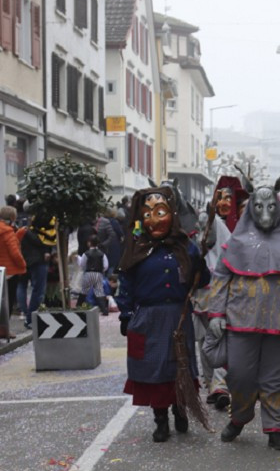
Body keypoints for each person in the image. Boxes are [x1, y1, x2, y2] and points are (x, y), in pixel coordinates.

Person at [205, 173, 280, 452]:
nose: (265, 213)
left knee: (276, 378)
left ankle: (276, 428)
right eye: (258, 206)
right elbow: (221, 277)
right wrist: (217, 314)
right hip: (241, 320)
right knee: (240, 375)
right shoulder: (236, 243)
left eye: (271, 207)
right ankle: (240, 416)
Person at [116, 187, 210, 442]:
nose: (154, 219)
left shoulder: (186, 247)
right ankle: (160, 420)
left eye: (161, 212)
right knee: (154, 370)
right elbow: (125, 284)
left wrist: (201, 264)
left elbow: (201, 281)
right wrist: (125, 315)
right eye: (148, 213)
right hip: (147, 319)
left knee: (178, 367)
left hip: (178, 317)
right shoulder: (135, 248)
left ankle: (181, 411)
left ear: (173, 214)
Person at [193, 176, 247, 410]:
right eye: (220, 197)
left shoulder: (246, 227)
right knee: (206, 341)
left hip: (233, 292)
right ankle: (212, 386)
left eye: (229, 198)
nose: (224, 202)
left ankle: (220, 384)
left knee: (223, 338)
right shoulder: (207, 222)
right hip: (205, 291)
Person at [16, 214, 55, 329]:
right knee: (38, 289)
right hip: (37, 261)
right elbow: (44, 242)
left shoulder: (22, 230)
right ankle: (30, 317)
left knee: (22, 285)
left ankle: (24, 311)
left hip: (24, 260)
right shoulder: (38, 232)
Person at [0, 205, 26, 338]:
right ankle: (4, 330)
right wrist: (22, 264)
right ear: (12, 217)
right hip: (9, 271)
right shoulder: (8, 232)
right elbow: (14, 253)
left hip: (0, 271)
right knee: (7, 302)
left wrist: (18, 235)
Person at [77, 235, 109, 314]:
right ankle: (104, 310)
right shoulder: (102, 254)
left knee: (84, 291)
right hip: (98, 273)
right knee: (99, 291)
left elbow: (82, 264)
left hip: (88, 273)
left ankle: (78, 306)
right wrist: (101, 270)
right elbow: (106, 265)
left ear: (89, 243)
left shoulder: (86, 254)